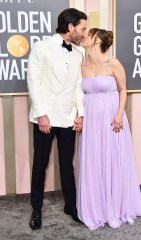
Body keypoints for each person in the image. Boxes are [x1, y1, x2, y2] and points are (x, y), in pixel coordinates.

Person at [76, 28, 141, 230]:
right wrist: (79, 116)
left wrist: (119, 114)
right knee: (94, 160)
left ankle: (116, 205)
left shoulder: (114, 63)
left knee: (112, 159)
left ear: (97, 41)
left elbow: (123, 90)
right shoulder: (82, 65)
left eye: (88, 34)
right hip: (91, 120)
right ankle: (97, 208)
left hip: (112, 118)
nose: (84, 36)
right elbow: (78, 94)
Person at [27, 8, 87, 230]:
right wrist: (41, 113)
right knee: (40, 164)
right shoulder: (41, 47)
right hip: (46, 116)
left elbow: (78, 88)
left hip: (68, 116)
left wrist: (80, 113)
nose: (84, 33)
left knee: (66, 165)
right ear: (70, 27)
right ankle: (36, 208)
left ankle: (71, 206)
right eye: (82, 28)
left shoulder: (79, 52)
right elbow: (33, 82)